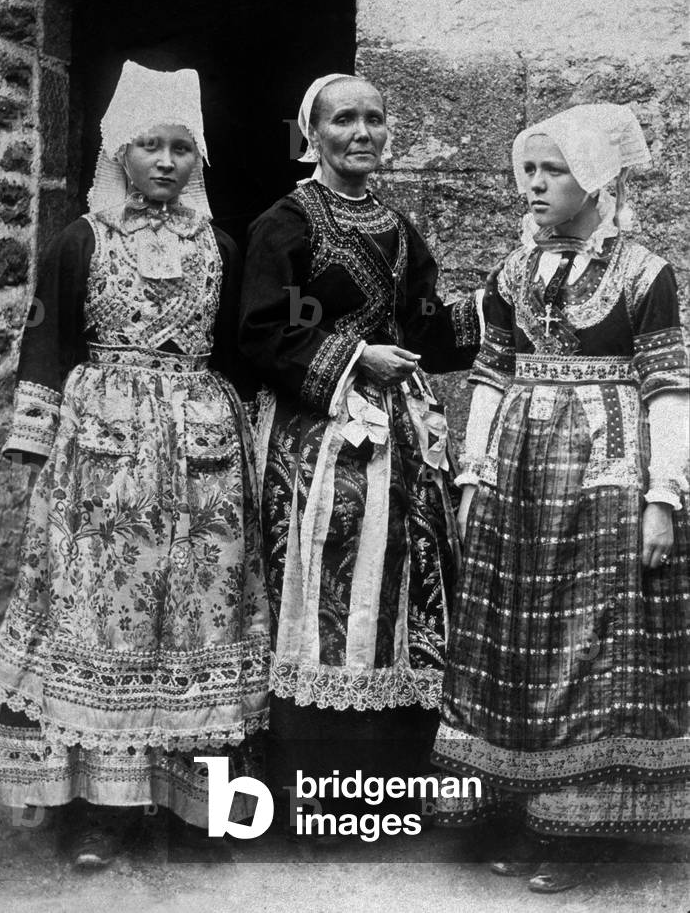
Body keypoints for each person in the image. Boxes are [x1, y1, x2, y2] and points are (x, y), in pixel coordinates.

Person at [0, 61, 270, 867]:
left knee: (202, 619)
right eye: (148, 144)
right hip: (101, 462)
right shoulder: (80, 240)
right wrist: (33, 454)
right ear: (119, 152)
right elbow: (45, 345)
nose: (165, 160)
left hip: (203, 463)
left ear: (199, 160)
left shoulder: (222, 245)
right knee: (99, 618)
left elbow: (242, 350)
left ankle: (197, 806)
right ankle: (100, 811)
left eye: (181, 147)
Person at [432, 103, 689, 891]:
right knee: (517, 638)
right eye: (530, 170)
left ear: (597, 178)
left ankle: (580, 828)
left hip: (604, 474)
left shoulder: (644, 272)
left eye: (555, 171)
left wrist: (663, 497)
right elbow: (489, 373)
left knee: (593, 637)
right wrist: (473, 474)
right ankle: (521, 808)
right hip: (518, 475)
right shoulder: (513, 272)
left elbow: (670, 389)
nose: (535, 184)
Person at [238, 73, 485, 834]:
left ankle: (387, 780)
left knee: (401, 584)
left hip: (397, 447)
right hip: (317, 446)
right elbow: (258, 332)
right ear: (313, 134)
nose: (363, 132)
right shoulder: (284, 223)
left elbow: (423, 329)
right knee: (320, 589)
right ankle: (309, 788)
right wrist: (353, 358)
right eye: (345, 119)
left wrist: (496, 304)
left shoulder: (400, 230)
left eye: (375, 119)